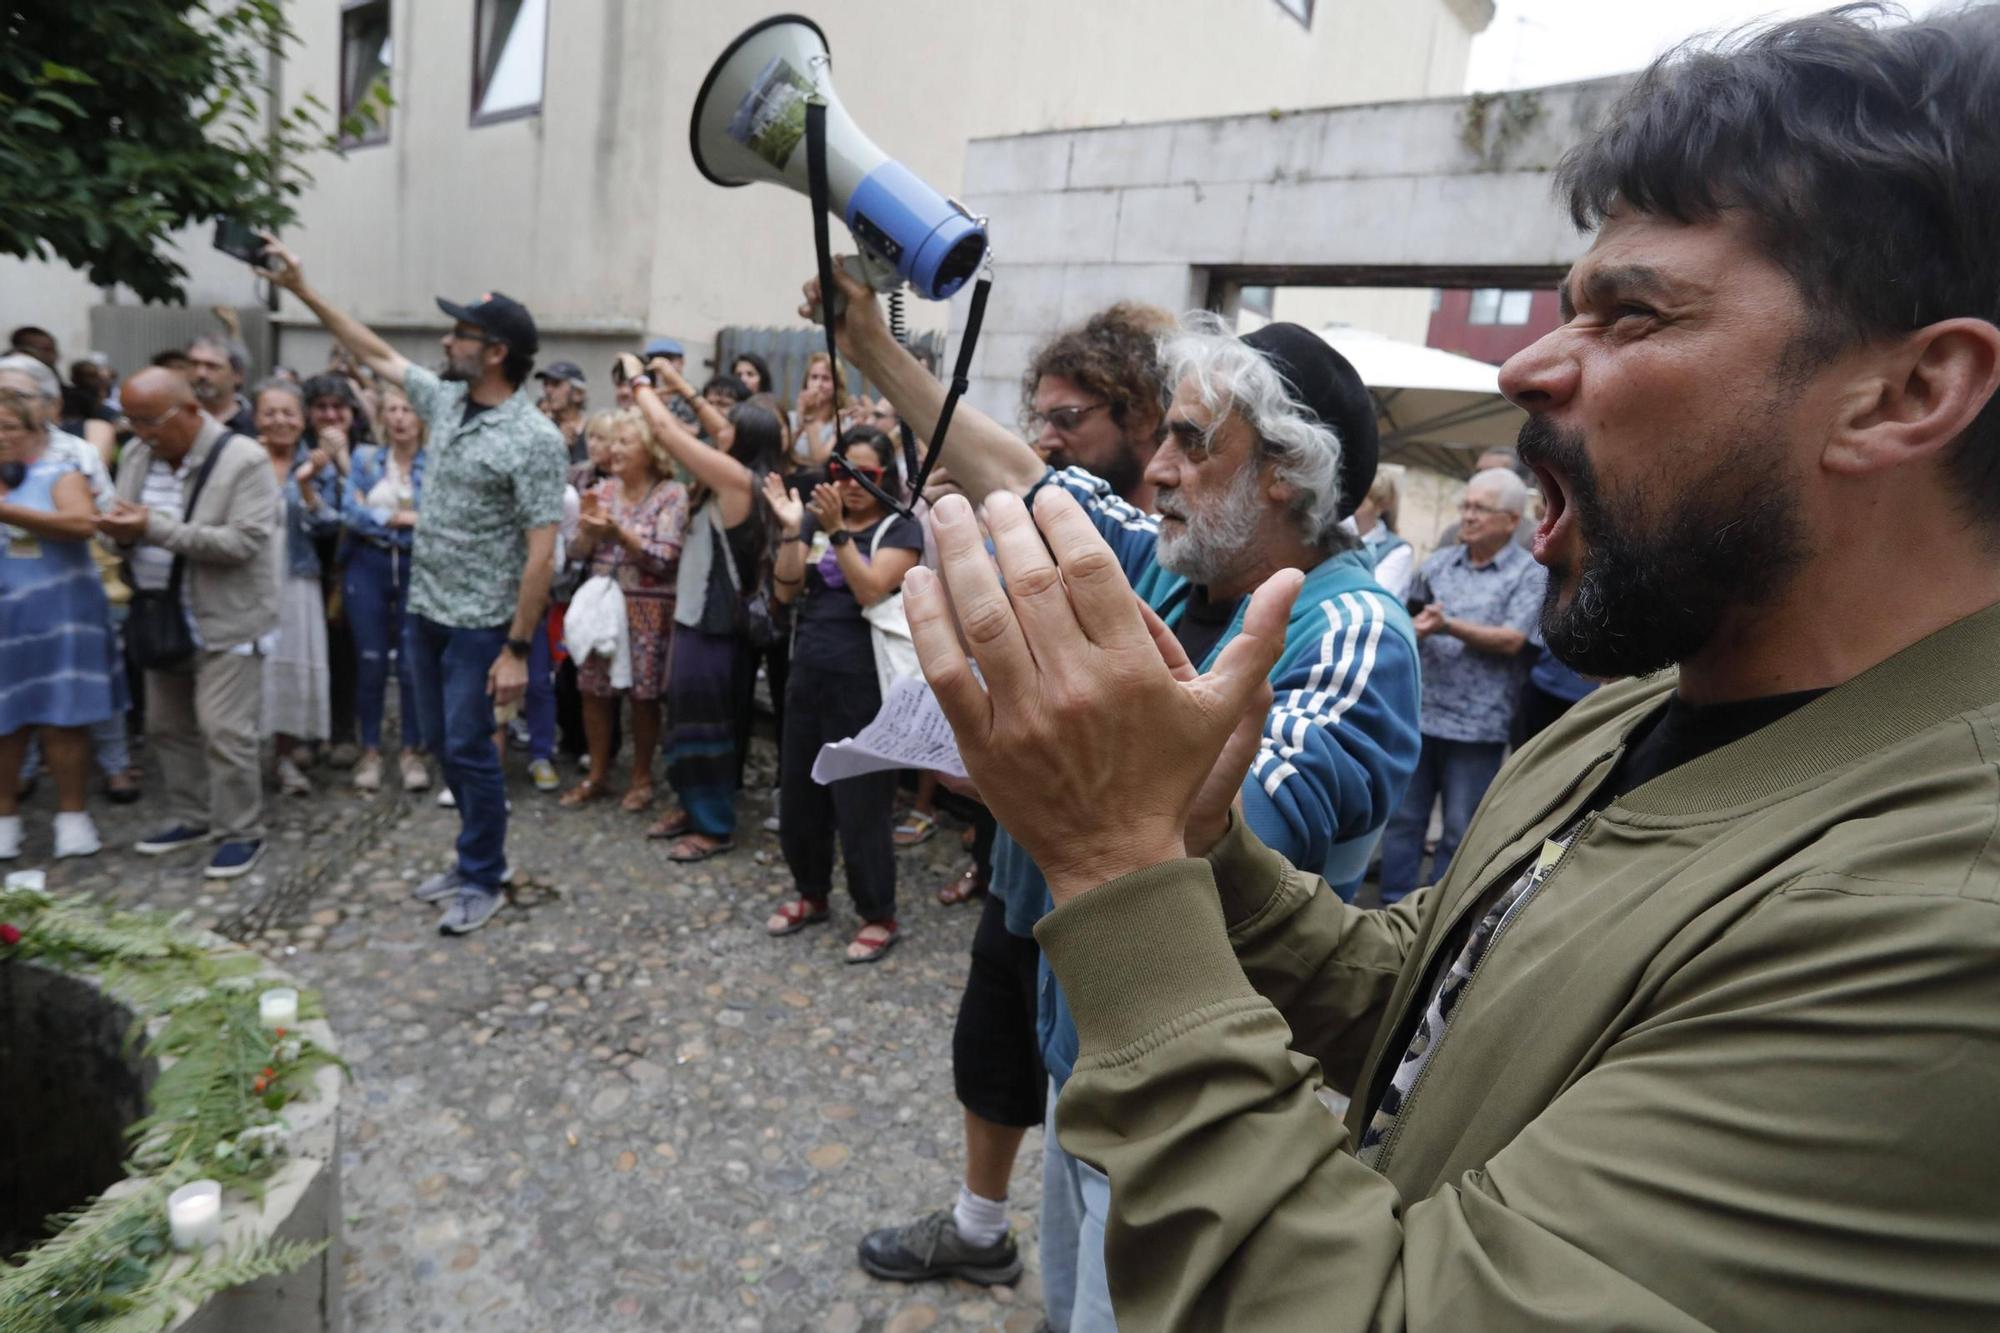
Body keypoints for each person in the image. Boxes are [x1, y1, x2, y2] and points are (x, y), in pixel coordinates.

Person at [895, 8, 2000, 1329]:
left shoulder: (1942, 915)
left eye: (1632, 314)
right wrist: (1194, 844)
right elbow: (1420, 995)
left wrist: (1116, 862)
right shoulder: (1641, 711)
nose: (1527, 364)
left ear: (1905, 392)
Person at [824, 278, 1419, 1326]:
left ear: (1284, 472)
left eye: (1191, 442)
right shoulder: (1171, 565)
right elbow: (1023, 476)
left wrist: (1046, 765)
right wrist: (869, 344)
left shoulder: (1353, 632)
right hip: (1090, 1053)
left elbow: (1220, 836)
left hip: (1200, 1098)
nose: (1155, 468)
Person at [263, 240, 566, 936]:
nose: (446, 341)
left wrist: (517, 649)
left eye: (461, 333)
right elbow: (372, 351)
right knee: (441, 744)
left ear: (495, 352)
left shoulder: (535, 439)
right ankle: (472, 859)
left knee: (469, 748)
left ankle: (483, 873)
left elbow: (541, 555)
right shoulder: (447, 399)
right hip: (424, 612)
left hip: (480, 627)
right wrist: (303, 291)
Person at [103, 368, 282, 879]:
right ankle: (193, 816)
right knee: (166, 726)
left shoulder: (244, 459)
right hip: (161, 615)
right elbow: (121, 527)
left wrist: (152, 527)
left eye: (150, 421)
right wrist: (120, 535)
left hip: (227, 617)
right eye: (131, 421)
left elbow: (243, 543)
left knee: (225, 730)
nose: (141, 433)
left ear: (188, 411)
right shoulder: (137, 455)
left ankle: (241, 831)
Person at [761, 427, 923, 963]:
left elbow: (872, 589)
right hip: (808, 671)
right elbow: (785, 589)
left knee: (861, 804)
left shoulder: (900, 526)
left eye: (865, 475)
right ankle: (810, 891)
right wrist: (794, 529)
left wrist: (835, 533)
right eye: (842, 472)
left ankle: (877, 912)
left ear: (886, 476)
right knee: (799, 795)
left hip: (863, 682)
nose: (852, 484)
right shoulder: (817, 518)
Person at [1376, 467, 1545, 904]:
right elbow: (1408, 618)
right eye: (1466, 506)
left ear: (1512, 520)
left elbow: (1513, 639)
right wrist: (1410, 630)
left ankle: (1434, 917)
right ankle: (1391, 905)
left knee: (1458, 829)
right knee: (1403, 821)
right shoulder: (1438, 563)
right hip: (1421, 716)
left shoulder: (1529, 573)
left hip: (1477, 725)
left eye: (1481, 509)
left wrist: (1447, 625)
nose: (1468, 516)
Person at [633, 363, 780, 859]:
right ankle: (690, 805)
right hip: (694, 619)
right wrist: (677, 384)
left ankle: (714, 826)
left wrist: (638, 382)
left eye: (727, 425)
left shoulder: (739, 482)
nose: (716, 429)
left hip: (715, 628)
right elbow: (712, 426)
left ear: (744, 439)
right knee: (683, 719)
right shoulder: (732, 474)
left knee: (706, 726)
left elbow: (664, 430)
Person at [0, 388, 113, 859]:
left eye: (9, 426)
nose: (0, 436)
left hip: (62, 618)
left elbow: (81, 524)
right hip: (5, 624)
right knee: (4, 723)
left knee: (63, 719)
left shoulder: (62, 474)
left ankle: (72, 817)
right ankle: (4, 818)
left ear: (35, 432)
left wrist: (5, 510)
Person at [560, 407, 687, 812]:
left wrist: (619, 533)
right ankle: (597, 775)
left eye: (625, 442)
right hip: (602, 604)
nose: (614, 450)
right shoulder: (603, 490)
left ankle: (641, 778)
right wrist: (587, 531)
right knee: (592, 689)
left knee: (643, 695)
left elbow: (665, 557)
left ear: (650, 450)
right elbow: (575, 552)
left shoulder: (671, 494)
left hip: (648, 608)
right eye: (612, 441)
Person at [248, 380, 341, 796]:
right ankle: (243, 760)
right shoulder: (242, 459)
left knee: (290, 665)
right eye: (270, 412)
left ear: (303, 420)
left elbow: (330, 524)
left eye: (289, 413)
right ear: (256, 418)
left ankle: (284, 757)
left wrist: (306, 484)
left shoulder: (316, 462)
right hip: (245, 578)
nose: (280, 421)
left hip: (296, 576)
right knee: (244, 669)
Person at [341, 382, 430, 793]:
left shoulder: (436, 464)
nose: (399, 418)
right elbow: (350, 512)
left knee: (413, 662)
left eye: (407, 410)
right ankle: (371, 749)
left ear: (422, 419)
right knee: (370, 659)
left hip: (417, 567)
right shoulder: (365, 458)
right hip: (368, 565)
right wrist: (395, 519)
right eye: (392, 410)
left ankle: (412, 749)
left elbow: (440, 517)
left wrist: (378, 511)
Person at [1349, 466, 1412, 600]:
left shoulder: (1399, 551)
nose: (1352, 508)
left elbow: (1372, 595)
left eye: (1361, 502)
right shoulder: (1338, 536)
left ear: (1381, 506)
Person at [186, 334, 256, 437]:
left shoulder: (256, 424)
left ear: (238, 375)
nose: (201, 373)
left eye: (212, 366)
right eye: (194, 364)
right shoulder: (175, 420)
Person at [787, 352, 840, 475]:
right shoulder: (790, 418)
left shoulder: (842, 422)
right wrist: (801, 419)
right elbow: (781, 454)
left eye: (826, 378)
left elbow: (819, 461)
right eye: (814, 377)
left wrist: (810, 417)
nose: (818, 384)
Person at [536, 361, 590, 462]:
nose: (548, 390)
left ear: (578, 393)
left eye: (556, 384)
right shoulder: (539, 430)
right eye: (545, 384)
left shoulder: (593, 431)